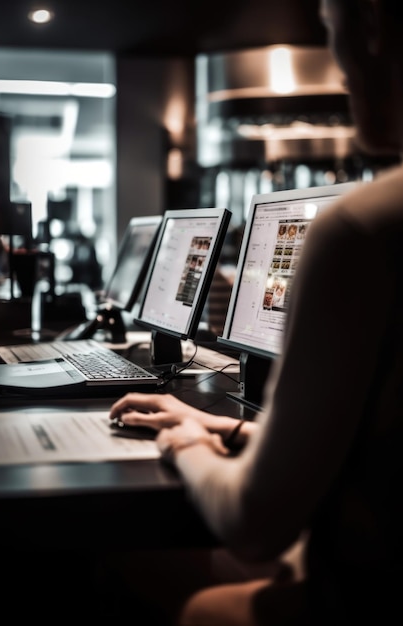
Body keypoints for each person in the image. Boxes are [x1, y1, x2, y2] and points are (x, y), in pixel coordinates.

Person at [109, 1, 403, 624]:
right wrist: (235, 429)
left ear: (372, 27)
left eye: (333, 32)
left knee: (130, 570)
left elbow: (254, 523)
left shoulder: (362, 230)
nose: (341, 68)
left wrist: (186, 442)